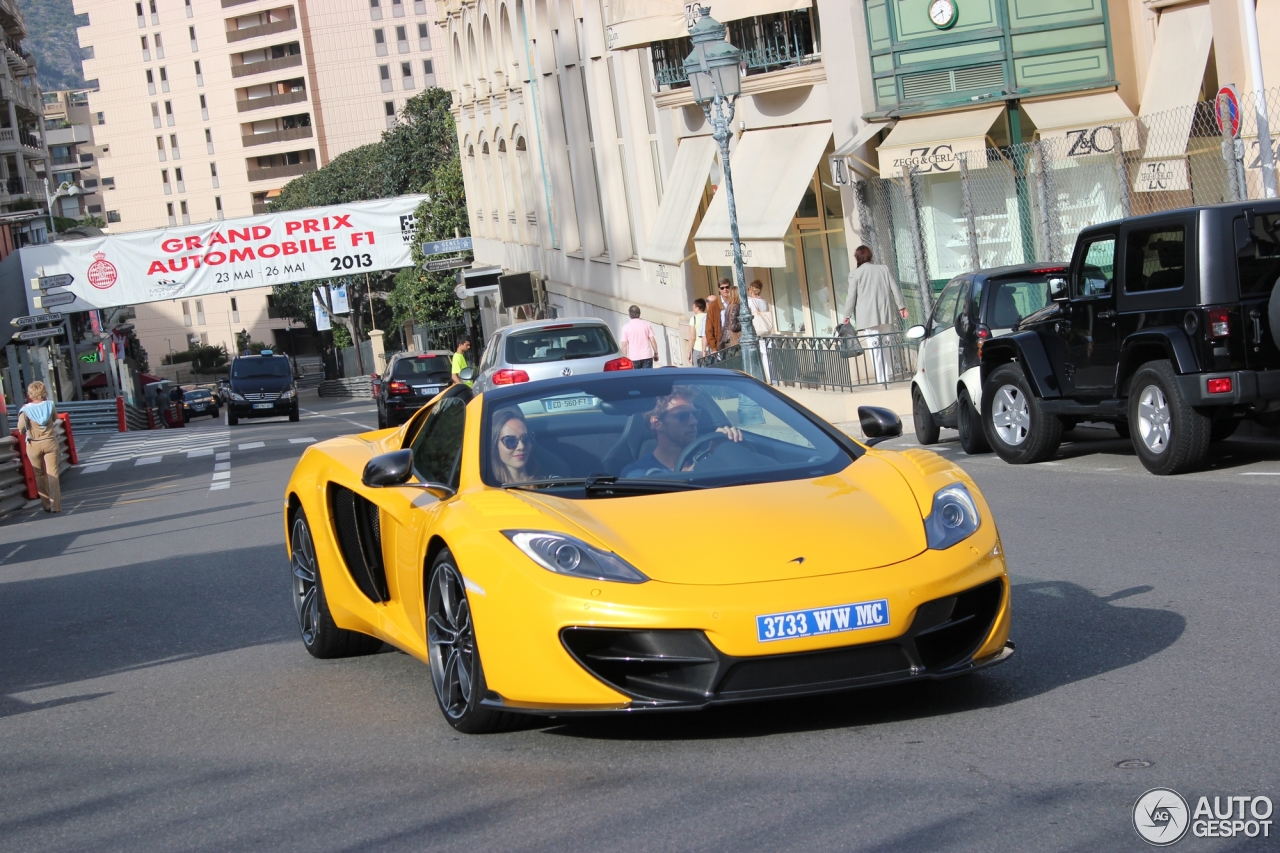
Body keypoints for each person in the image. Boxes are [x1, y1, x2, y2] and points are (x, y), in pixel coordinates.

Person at [619, 386, 742, 478]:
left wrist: (726, 451)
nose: (694, 421)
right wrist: (708, 458)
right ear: (657, 423)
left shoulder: (710, 457)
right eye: (683, 416)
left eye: (695, 414)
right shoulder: (637, 473)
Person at [841, 245, 908, 383]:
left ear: (857, 258)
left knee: (875, 347)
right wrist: (901, 306)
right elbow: (894, 289)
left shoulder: (855, 274)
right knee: (886, 343)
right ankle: (888, 375)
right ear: (870, 255)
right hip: (885, 313)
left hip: (868, 316)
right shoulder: (883, 269)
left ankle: (881, 378)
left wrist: (847, 315)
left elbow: (851, 296)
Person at [16, 381, 60, 513]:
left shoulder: (25, 410)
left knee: (40, 474)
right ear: (44, 392)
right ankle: (56, 506)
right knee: (53, 473)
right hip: (50, 441)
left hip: (34, 443)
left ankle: (46, 504)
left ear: (30, 394)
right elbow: (55, 419)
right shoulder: (49, 405)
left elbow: (21, 429)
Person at [489, 409, 545, 484]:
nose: (521, 446)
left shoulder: (547, 484)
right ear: (495, 445)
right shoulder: (486, 489)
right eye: (510, 441)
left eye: (525, 438)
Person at [687, 298, 707, 365]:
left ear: (698, 308)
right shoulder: (708, 316)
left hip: (697, 349)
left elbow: (692, 337)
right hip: (708, 348)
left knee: (697, 372)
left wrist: (689, 351)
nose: (693, 308)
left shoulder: (693, 319)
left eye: (694, 307)